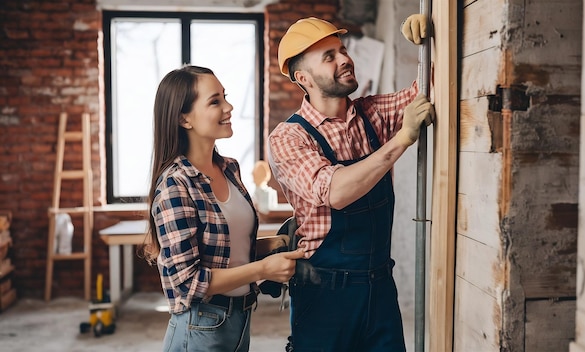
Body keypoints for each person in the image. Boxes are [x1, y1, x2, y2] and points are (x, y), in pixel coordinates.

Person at [267, 16, 434, 351]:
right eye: (328, 56)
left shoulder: (373, 114)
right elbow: (336, 191)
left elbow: (431, 90)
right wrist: (402, 138)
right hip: (325, 299)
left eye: (341, 50)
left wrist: (428, 44)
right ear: (303, 78)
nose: (344, 59)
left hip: (381, 291)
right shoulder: (289, 137)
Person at [143, 65, 305, 352]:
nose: (228, 107)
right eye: (215, 101)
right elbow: (188, 281)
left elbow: (223, 251)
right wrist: (263, 268)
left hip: (240, 318)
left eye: (225, 97)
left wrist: (273, 245)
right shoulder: (175, 185)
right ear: (184, 118)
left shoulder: (229, 169)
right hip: (199, 326)